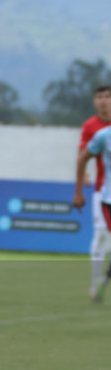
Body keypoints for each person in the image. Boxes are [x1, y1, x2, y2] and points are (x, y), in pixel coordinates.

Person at [72, 85, 111, 301]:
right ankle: (95, 283)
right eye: (100, 97)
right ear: (95, 101)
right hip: (102, 191)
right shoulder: (92, 127)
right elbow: (83, 154)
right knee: (101, 234)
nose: (104, 101)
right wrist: (81, 181)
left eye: (108, 96)